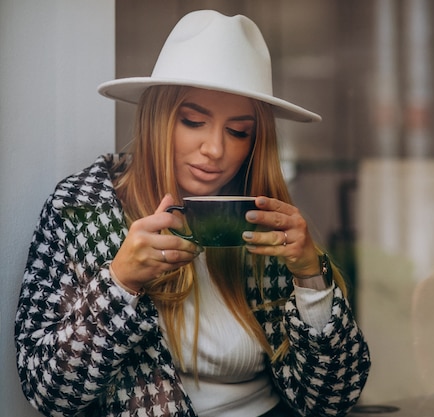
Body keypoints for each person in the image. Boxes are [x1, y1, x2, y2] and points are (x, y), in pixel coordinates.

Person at [15, 10, 370, 417]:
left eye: (238, 131)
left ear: (256, 142)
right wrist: (121, 282)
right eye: (193, 121)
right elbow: (49, 395)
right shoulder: (82, 210)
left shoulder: (262, 220)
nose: (215, 149)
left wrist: (311, 280)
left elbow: (333, 399)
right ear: (156, 118)